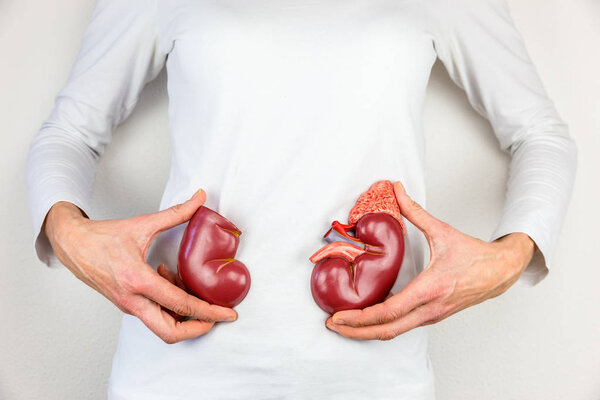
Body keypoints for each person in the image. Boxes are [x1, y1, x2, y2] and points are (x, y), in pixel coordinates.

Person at [26, 0, 577, 399]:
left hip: (374, 382)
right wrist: (69, 234)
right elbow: (69, 134)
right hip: (178, 376)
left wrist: (510, 256)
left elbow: (541, 136)